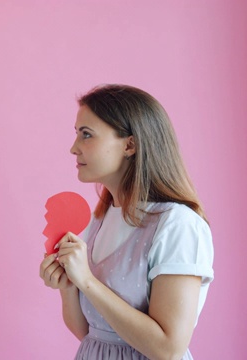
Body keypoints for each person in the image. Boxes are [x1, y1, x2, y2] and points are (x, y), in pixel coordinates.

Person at [39, 84, 213, 359]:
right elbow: (89, 332)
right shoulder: (100, 219)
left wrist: (86, 281)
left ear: (130, 144)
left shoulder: (178, 225)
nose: (74, 148)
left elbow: (168, 348)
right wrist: (68, 286)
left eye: (87, 135)